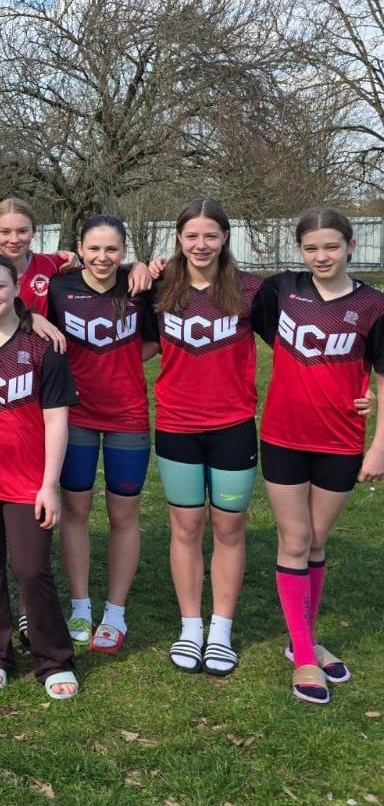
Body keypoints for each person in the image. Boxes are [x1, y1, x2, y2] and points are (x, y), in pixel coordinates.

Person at [252, 207, 384, 704]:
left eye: (331, 246)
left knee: (317, 542)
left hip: (341, 441)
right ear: (300, 251)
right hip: (284, 435)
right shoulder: (280, 290)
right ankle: (305, 655)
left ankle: (299, 640)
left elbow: (381, 376)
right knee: (295, 539)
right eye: (312, 248)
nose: (322, 256)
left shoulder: (373, 305)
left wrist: (379, 443)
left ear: (350, 246)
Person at [0, 254, 79, 698]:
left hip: (28, 478)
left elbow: (57, 421)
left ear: (17, 288)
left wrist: (49, 483)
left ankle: (53, 657)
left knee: (30, 568)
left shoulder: (45, 345)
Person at [150, 199, 262, 677]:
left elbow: (304, 341)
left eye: (210, 235)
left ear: (224, 238)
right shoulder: (156, 287)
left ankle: (221, 630)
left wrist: (354, 392)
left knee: (229, 529)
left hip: (234, 426)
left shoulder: (252, 290)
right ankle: (190, 626)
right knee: (186, 528)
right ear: (179, 238)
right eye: (192, 236)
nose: (201, 245)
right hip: (176, 426)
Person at [46, 214, 158, 653]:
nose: (102, 257)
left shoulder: (139, 288)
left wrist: (123, 365)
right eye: (94, 248)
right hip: (74, 414)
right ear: (80, 247)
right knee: (74, 511)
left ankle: (115, 612)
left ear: (125, 250)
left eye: (112, 249)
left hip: (128, 415)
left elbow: (154, 341)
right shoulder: (60, 288)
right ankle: (80, 606)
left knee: (123, 515)